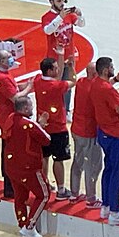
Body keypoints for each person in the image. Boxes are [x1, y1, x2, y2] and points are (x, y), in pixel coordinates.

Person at [90, 56, 119, 225]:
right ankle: (115, 213)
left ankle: (106, 207)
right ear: (105, 70)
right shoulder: (107, 89)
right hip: (115, 134)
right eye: (112, 67)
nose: (113, 69)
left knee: (108, 170)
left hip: (103, 133)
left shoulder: (96, 83)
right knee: (118, 172)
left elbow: (111, 98)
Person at [2, 96, 51, 237]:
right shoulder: (29, 124)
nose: (32, 109)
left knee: (20, 197)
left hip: (11, 166)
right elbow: (46, 139)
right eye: (30, 107)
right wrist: (40, 125)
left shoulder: (10, 119)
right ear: (24, 109)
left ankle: (22, 223)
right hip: (28, 167)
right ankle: (29, 227)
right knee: (44, 194)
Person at [0, 50, 33, 198]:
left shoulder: (1, 74)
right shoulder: (2, 77)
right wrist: (28, 88)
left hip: (7, 118)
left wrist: (22, 86)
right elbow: (15, 98)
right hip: (8, 120)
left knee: (10, 152)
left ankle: (12, 185)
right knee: (11, 153)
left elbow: (13, 88)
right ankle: (10, 187)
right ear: (1, 61)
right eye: (8, 57)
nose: (11, 58)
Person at [34, 51, 76, 200]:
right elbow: (73, 81)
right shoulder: (58, 86)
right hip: (58, 128)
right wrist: (71, 67)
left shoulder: (38, 80)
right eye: (57, 68)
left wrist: (60, 56)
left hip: (42, 127)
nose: (59, 70)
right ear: (50, 71)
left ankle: (45, 185)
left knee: (44, 157)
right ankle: (61, 189)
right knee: (58, 159)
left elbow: (56, 79)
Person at [41, 0, 85, 115]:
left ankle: (65, 110)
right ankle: (54, 110)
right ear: (51, 2)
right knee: (54, 86)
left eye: (63, 0)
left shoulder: (69, 15)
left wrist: (80, 14)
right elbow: (48, 31)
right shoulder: (47, 17)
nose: (62, 4)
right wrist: (60, 18)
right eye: (58, 1)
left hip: (69, 56)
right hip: (54, 58)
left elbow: (81, 24)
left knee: (68, 84)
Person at [69, 61, 103, 207]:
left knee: (78, 162)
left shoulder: (81, 83)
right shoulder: (95, 88)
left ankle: (74, 194)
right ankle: (91, 198)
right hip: (89, 132)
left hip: (76, 129)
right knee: (93, 165)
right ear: (95, 74)